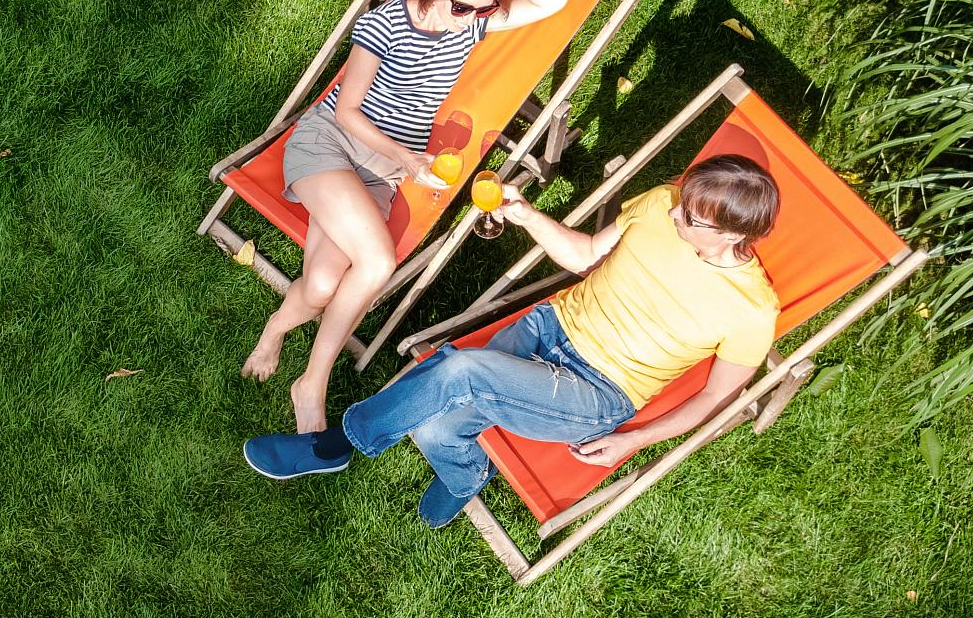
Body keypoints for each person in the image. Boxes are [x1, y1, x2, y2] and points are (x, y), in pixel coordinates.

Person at [242, 154, 782, 531]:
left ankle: (336, 446)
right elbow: (585, 255)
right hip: (550, 326)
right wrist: (525, 214)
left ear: (733, 235)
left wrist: (634, 440)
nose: (671, 212)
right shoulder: (662, 202)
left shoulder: (752, 309)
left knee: (459, 373)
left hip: (596, 392)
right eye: (680, 199)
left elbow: (716, 397)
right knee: (434, 424)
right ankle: (465, 474)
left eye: (687, 217)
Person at [240, 0, 571, 436]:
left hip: (378, 170)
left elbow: (555, 0)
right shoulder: (383, 26)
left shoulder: (470, 24)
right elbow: (347, 112)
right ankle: (312, 383)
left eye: (483, 9)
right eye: (463, 6)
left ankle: (274, 331)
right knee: (375, 262)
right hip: (330, 144)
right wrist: (407, 159)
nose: (473, 19)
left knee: (325, 285)